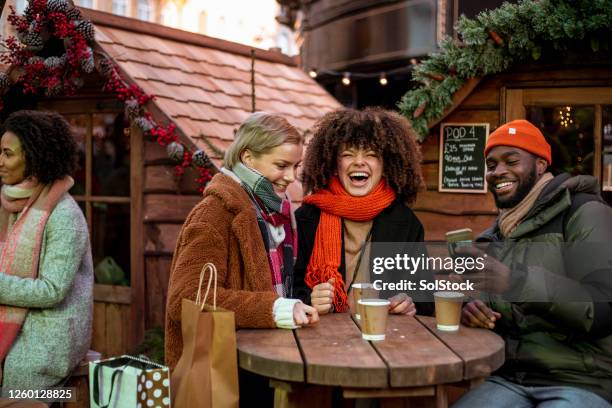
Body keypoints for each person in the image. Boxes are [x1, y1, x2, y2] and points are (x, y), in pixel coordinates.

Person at [454, 119, 612, 407]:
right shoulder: (494, 236)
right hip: (510, 378)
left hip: (584, 381)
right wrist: (473, 312)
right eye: (491, 165)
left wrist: (516, 282)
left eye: (511, 161)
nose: (498, 171)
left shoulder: (585, 213)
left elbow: (603, 309)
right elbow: (494, 312)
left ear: (541, 165)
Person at [165, 112, 319, 371]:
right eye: (282, 165)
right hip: (226, 367)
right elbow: (185, 299)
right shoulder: (214, 213)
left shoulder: (279, 211)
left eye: (296, 167)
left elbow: (285, 286)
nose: (292, 177)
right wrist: (271, 309)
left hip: (274, 355)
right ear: (248, 158)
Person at [293, 107, 433, 316]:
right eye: (348, 154)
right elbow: (287, 290)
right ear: (333, 164)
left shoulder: (406, 222)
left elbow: (425, 297)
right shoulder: (306, 218)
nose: (359, 161)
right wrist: (308, 299)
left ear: (385, 165)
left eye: (371, 154)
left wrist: (410, 303)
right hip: (322, 340)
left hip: (386, 337)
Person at [0, 110, 93, 394]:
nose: (0, 162)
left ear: (33, 157)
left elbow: (52, 290)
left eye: (7, 153)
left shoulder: (65, 215)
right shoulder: (11, 204)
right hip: (18, 319)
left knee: (19, 377)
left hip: (49, 332)